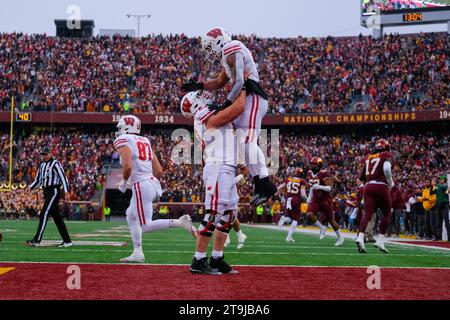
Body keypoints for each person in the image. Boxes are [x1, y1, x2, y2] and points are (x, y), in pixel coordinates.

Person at [182, 27, 277, 206]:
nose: (210, 52)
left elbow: (241, 81)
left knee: (247, 141)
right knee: (242, 142)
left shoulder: (231, 47)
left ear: (218, 41)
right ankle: (259, 184)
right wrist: (198, 85)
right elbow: (219, 82)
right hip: (247, 96)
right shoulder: (227, 54)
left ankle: (265, 183)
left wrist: (226, 103)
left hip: (252, 95)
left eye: (210, 47)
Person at [114, 115, 196, 263]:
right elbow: (158, 170)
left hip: (141, 185)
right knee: (131, 215)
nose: (119, 131)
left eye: (120, 128)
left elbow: (127, 166)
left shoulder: (123, 140)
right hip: (152, 183)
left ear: (126, 127)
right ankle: (137, 252)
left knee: (146, 225)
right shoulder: (145, 141)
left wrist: (124, 182)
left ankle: (180, 222)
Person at [181, 89, 246, 275]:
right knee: (213, 216)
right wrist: (242, 86)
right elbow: (238, 108)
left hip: (227, 166)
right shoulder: (203, 114)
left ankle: (217, 258)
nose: (204, 96)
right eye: (199, 97)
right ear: (195, 105)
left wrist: (240, 163)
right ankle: (198, 260)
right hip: (218, 168)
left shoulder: (208, 113)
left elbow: (225, 141)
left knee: (229, 216)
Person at [26, 146, 72, 248]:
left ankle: (37, 240)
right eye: (43, 154)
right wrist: (30, 187)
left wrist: (66, 191)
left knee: (44, 213)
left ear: (51, 153)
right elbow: (38, 180)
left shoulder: (56, 164)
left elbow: (63, 178)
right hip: (46, 191)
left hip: (54, 191)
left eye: (46, 154)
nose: (44, 156)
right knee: (57, 217)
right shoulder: (42, 165)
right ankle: (67, 241)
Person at [356, 139, 394, 254]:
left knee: (367, 214)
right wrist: (390, 182)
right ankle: (380, 240)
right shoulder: (386, 155)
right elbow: (387, 168)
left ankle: (360, 237)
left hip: (368, 186)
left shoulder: (368, 157)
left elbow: (361, 177)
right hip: (381, 186)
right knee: (387, 213)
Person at [306, 157, 344, 247]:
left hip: (326, 199)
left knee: (331, 220)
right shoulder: (310, 173)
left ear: (318, 165)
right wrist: (309, 197)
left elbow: (330, 188)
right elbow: (312, 187)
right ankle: (322, 227)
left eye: (313, 164)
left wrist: (319, 187)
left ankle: (340, 237)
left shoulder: (324, 173)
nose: (311, 166)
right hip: (315, 199)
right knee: (309, 214)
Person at [278, 168, 307, 243]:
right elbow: (303, 194)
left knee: (290, 218)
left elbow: (280, 187)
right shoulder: (302, 181)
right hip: (296, 200)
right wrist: (306, 200)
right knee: (295, 220)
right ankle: (288, 237)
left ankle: (284, 220)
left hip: (288, 199)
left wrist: (282, 195)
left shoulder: (288, 179)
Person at [435, 175, 449, 241]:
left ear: (445, 180)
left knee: (446, 222)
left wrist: (436, 184)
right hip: (438, 205)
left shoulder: (446, 185)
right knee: (438, 222)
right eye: (440, 179)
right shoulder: (438, 186)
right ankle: (439, 236)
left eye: (441, 179)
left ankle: (449, 236)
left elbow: (444, 188)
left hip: (444, 205)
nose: (440, 180)